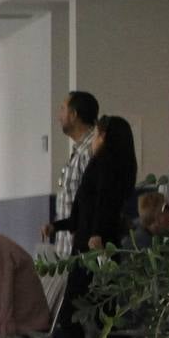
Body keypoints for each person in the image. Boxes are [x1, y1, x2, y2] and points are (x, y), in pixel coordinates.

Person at [47, 115, 138, 338]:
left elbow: (103, 207)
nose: (94, 141)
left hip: (92, 251)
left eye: (98, 135)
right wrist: (58, 226)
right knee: (105, 316)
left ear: (105, 136)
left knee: (73, 314)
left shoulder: (107, 166)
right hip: (86, 247)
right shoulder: (102, 165)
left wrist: (96, 235)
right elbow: (82, 211)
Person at [44, 91, 100, 255]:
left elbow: (93, 200)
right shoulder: (78, 150)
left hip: (81, 250)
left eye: (63, 109)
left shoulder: (90, 150)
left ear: (74, 114)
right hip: (68, 248)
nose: (59, 115)